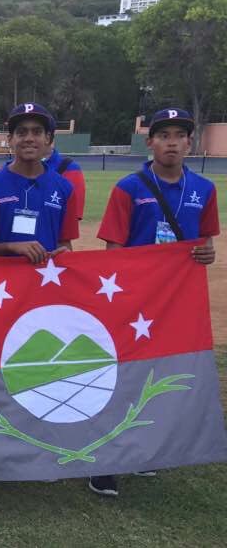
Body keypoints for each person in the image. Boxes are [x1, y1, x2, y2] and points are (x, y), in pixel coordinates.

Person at [91, 107, 219, 498]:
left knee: (161, 374)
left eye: (180, 135)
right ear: (150, 142)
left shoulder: (203, 189)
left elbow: (206, 244)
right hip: (132, 301)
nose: (172, 142)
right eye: (163, 135)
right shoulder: (130, 187)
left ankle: (145, 452)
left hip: (173, 304)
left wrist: (207, 255)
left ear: (190, 142)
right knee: (123, 374)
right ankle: (105, 462)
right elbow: (114, 249)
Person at [0, 103, 79, 263]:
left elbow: (64, 243)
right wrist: (10, 247)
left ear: (48, 138)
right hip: (2, 285)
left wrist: (65, 253)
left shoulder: (64, 188)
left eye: (37, 132)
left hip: (44, 282)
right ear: (10, 140)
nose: (29, 138)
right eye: (21, 132)